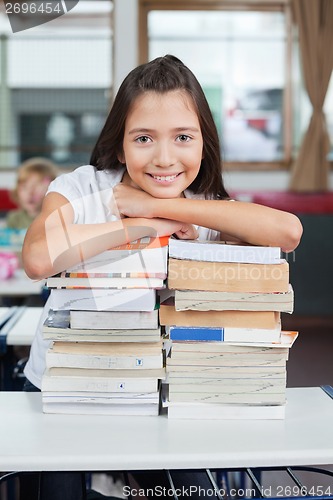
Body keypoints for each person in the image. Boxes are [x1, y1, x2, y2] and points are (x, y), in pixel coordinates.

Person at [22, 55, 303, 500]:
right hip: (65, 387)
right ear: (120, 146)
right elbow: (38, 257)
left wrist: (162, 207)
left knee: (188, 490)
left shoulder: (204, 205)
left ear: (203, 144)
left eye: (183, 137)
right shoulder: (80, 189)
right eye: (144, 138)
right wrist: (140, 227)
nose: (164, 157)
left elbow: (288, 232)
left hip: (162, 388)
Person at [6, 157, 59, 230]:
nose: (30, 193)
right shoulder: (14, 219)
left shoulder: (57, 218)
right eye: (24, 187)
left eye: (36, 188)